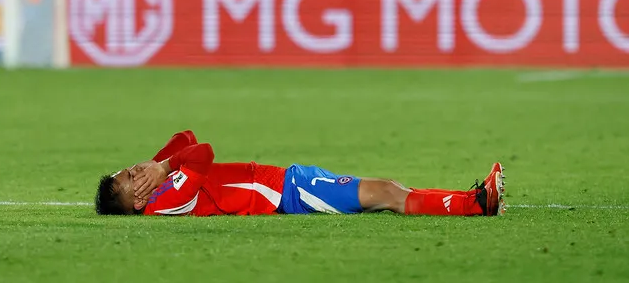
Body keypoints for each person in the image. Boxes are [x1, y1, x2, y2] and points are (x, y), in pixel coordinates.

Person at [96, 130, 505, 217]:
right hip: (289, 194)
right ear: (138, 201)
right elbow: (201, 151)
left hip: (288, 181)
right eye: (128, 179)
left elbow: (184, 135)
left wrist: (153, 166)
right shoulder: (167, 198)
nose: (133, 170)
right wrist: (163, 166)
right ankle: (477, 203)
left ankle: (471, 200)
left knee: (391, 190)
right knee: (387, 192)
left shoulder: (157, 189)